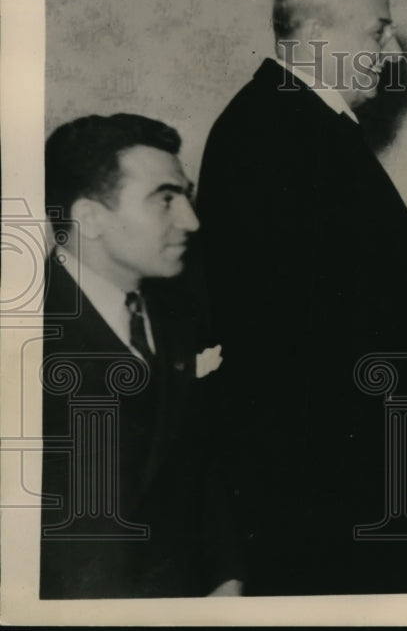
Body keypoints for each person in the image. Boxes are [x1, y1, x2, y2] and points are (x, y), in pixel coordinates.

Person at [196, 0, 407, 595]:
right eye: (378, 34)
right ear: (314, 40)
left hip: (310, 456)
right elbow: (342, 320)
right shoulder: (282, 133)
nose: (392, 53)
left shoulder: (289, 121)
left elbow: (347, 259)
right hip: (312, 471)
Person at [41, 113, 241, 598]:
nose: (191, 220)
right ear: (90, 218)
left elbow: (200, 472)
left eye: (187, 195)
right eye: (166, 199)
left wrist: (226, 576)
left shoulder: (174, 313)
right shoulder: (30, 343)